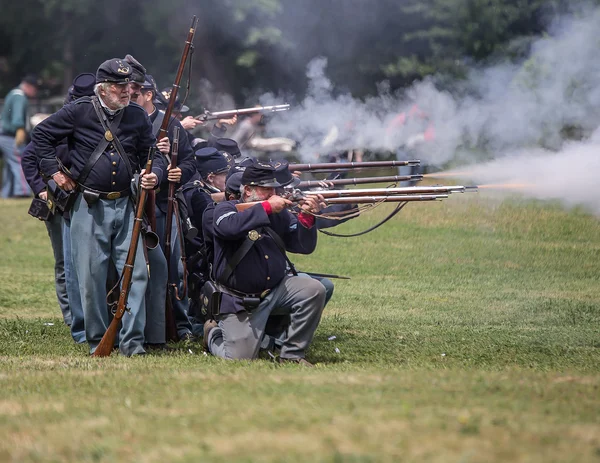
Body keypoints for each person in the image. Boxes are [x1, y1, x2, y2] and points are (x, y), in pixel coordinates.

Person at [32, 58, 167, 356]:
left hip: (127, 205)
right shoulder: (79, 111)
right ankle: (97, 340)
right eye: (119, 87)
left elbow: (152, 152)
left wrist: (154, 173)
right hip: (88, 206)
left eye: (128, 86)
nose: (127, 91)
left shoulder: (135, 116)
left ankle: (133, 343)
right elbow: (40, 137)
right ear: (103, 89)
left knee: (137, 274)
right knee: (91, 278)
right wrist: (54, 171)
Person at [202, 160, 327, 365]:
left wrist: (306, 216)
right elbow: (228, 228)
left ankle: (292, 354)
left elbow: (301, 246)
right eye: (266, 190)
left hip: (275, 290)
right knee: (240, 359)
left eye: (274, 189)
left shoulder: (278, 213)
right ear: (248, 190)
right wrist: (266, 207)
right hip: (239, 299)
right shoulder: (225, 209)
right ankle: (212, 335)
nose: (273, 194)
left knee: (314, 289)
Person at [0, 75, 37, 198]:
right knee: (21, 161)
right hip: (11, 135)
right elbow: (17, 117)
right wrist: (20, 129)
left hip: (5, 135)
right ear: (28, 86)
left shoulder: (14, 94)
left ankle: (7, 193)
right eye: (34, 88)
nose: (35, 91)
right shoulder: (19, 96)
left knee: (10, 165)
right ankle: (22, 191)